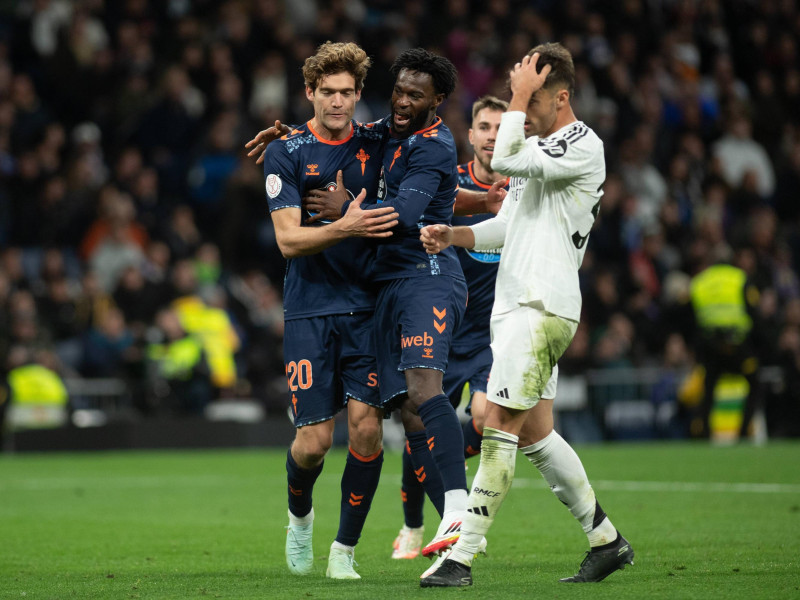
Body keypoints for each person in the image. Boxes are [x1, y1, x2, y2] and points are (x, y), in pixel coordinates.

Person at [418, 43, 634, 588]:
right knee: (536, 433)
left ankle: (460, 558)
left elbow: (505, 158)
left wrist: (512, 95)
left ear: (560, 97)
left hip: (540, 304)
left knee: (497, 425)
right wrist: (455, 235)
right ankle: (606, 540)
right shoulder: (544, 148)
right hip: (523, 304)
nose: (522, 107)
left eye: (531, 97)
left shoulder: (581, 145)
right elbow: (507, 223)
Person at [260, 41, 399, 580]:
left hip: (367, 308)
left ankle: (345, 549)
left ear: (359, 94)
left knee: (366, 431)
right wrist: (345, 225)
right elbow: (289, 241)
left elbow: (423, 172)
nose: (338, 102)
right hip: (309, 310)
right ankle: (300, 520)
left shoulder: (378, 140)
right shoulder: (287, 152)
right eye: (328, 93)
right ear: (309, 93)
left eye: (348, 93)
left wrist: (478, 195)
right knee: (315, 442)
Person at [392, 95, 509, 560]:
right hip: (442, 330)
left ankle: (458, 506)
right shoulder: (449, 186)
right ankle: (413, 526)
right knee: (417, 427)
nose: (492, 136)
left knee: (483, 418)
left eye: (500, 128)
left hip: (490, 337)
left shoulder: (523, 190)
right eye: (483, 126)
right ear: (471, 134)